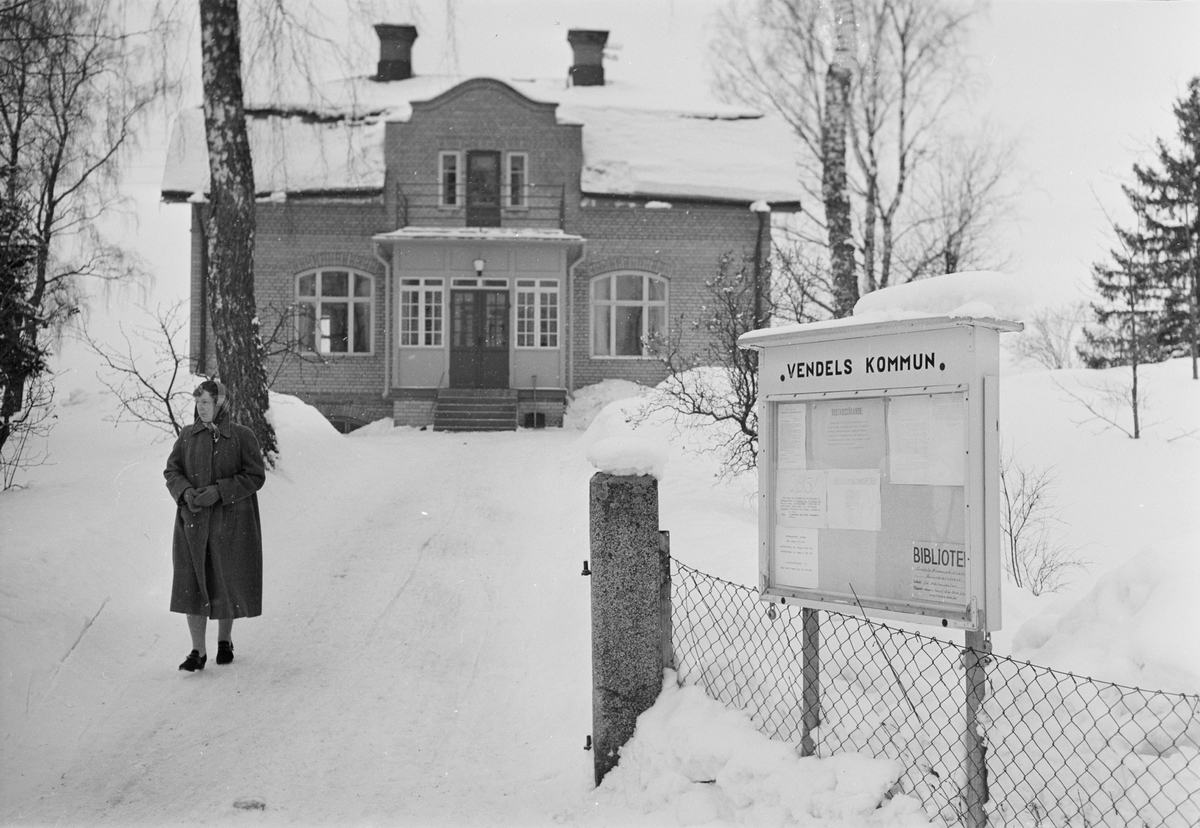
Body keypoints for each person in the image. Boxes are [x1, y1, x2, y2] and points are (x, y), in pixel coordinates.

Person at [164, 380, 266, 671]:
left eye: (206, 403)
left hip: (230, 525)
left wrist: (221, 491)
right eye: (198, 403)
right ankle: (198, 650)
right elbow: (172, 470)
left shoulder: (242, 437)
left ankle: (225, 640)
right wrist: (184, 492)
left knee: (225, 581)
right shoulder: (187, 436)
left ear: (220, 404)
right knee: (192, 585)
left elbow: (255, 476)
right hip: (193, 524)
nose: (201, 408)